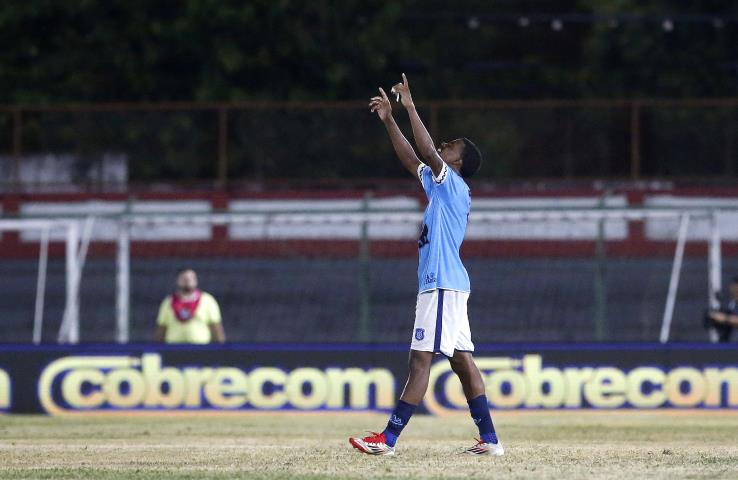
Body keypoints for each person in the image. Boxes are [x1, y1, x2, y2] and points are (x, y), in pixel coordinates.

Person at [349, 75, 501, 456]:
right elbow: (413, 159)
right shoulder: (440, 186)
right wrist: (388, 120)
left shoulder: (454, 185)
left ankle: (388, 439)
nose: (445, 146)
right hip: (449, 285)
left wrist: (410, 106)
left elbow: (427, 150)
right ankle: (491, 440)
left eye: (452, 147)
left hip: (441, 285)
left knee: (420, 361)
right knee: (463, 362)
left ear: (459, 162)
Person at [154, 269, 226, 344]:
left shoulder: (207, 301)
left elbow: (216, 328)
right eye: (184, 279)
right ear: (178, 281)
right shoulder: (168, 302)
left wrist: (221, 349)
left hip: (200, 350)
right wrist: (156, 349)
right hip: (173, 349)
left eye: (191, 278)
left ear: (196, 281)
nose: (188, 281)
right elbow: (161, 329)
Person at [705, 276, 738, 343]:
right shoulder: (730, 304)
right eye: (732, 286)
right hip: (727, 343)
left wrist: (725, 318)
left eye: (735, 286)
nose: (733, 288)